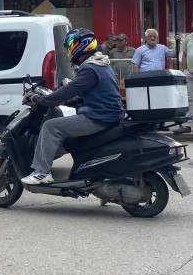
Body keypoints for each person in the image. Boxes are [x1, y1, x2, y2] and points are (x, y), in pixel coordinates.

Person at [19, 29, 125, 186]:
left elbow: (68, 90)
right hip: (107, 113)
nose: (68, 50)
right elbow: (91, 94)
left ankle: (42, 172)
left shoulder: (90, 68)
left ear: (77, 46)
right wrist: (70, 101)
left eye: (69, 46)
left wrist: (42, 99)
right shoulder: (101, 63)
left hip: (99, 117)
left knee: (50, 126)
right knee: (66, 137)